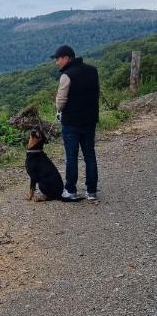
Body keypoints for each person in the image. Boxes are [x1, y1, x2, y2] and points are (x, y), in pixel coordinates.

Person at [51, 44, 100, 201]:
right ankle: (91, 191)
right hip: (90, 120)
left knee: (71, 157)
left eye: (58, 59)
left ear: (66, 58)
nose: (57, 62)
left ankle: (71, 190)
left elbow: (60, 102)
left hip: (71, 122)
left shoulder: (67, 75)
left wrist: (60, 111)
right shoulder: (93, 71)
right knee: (89, 155)